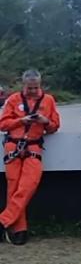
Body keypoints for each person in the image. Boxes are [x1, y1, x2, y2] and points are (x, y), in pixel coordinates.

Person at [0, 69, 60, 245]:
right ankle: (19, 230)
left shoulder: (48, 101)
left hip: (33, 147)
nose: (33, 91)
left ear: (40, 85)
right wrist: (21, 121)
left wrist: (45, 122)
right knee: (14, 187)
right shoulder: (13, 100)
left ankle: (3, 221)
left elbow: (55, 126)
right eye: (29, 88)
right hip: (14, 146)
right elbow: (3, 124)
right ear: (23, 84)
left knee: (28, 186)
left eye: (36, 88)